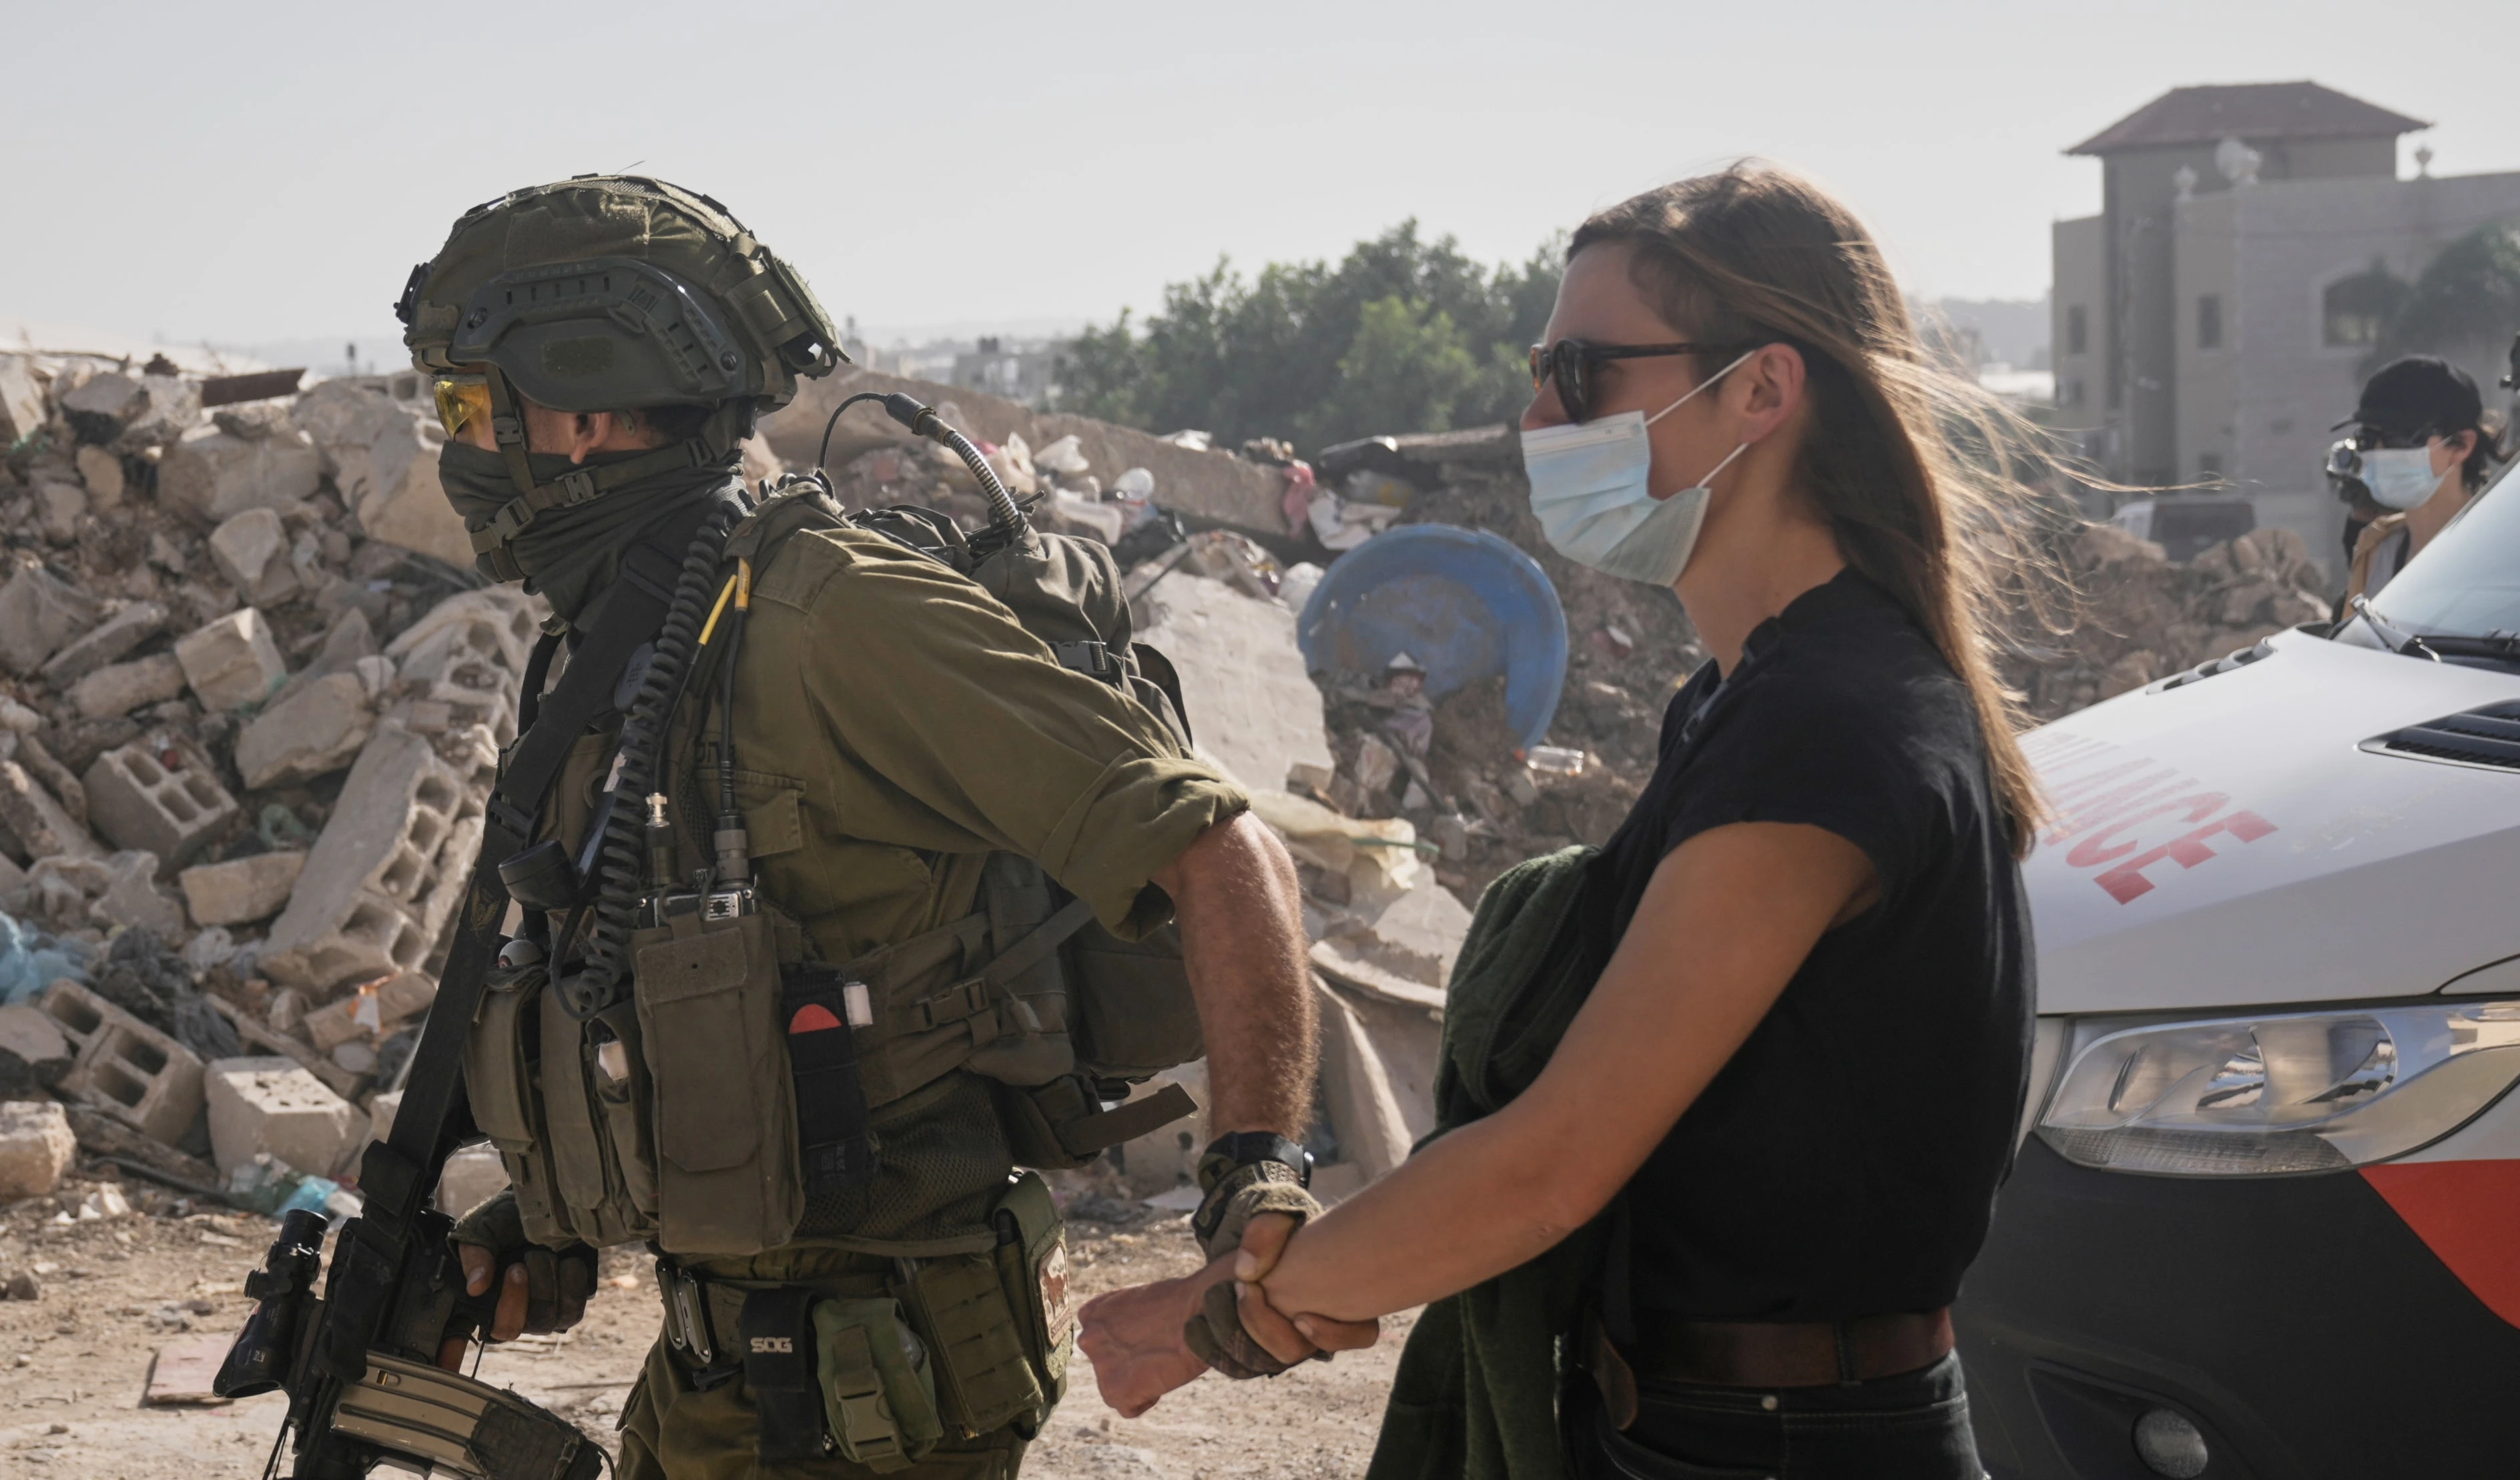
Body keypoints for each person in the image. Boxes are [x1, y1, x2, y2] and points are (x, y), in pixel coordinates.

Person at [1082, 162, 2042, 1480]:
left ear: (1761, 389)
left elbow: (1549, 1164)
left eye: (1582, 371)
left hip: (1781, 1444)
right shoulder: (1746, 696)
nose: (1536, 411)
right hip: (1702, 1423)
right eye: (1542, 366)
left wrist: (1225, 1316)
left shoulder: (1830, 724)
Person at [396, 175, 1323, 1479]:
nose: (457, 450)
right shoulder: (630, 637)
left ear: (583, 411)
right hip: (729, 1368)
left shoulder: (833, 614)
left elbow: (1225, 849)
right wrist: (542, 1217)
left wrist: (1253, 1184)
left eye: (469, 408)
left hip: (876, 1386)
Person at [2334, 356, 2511, 603]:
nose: (2379, 453)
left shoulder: (2506, 556)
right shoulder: (2377, 552)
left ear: (2462, 445)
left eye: (2401, 436)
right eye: (2369, 438)